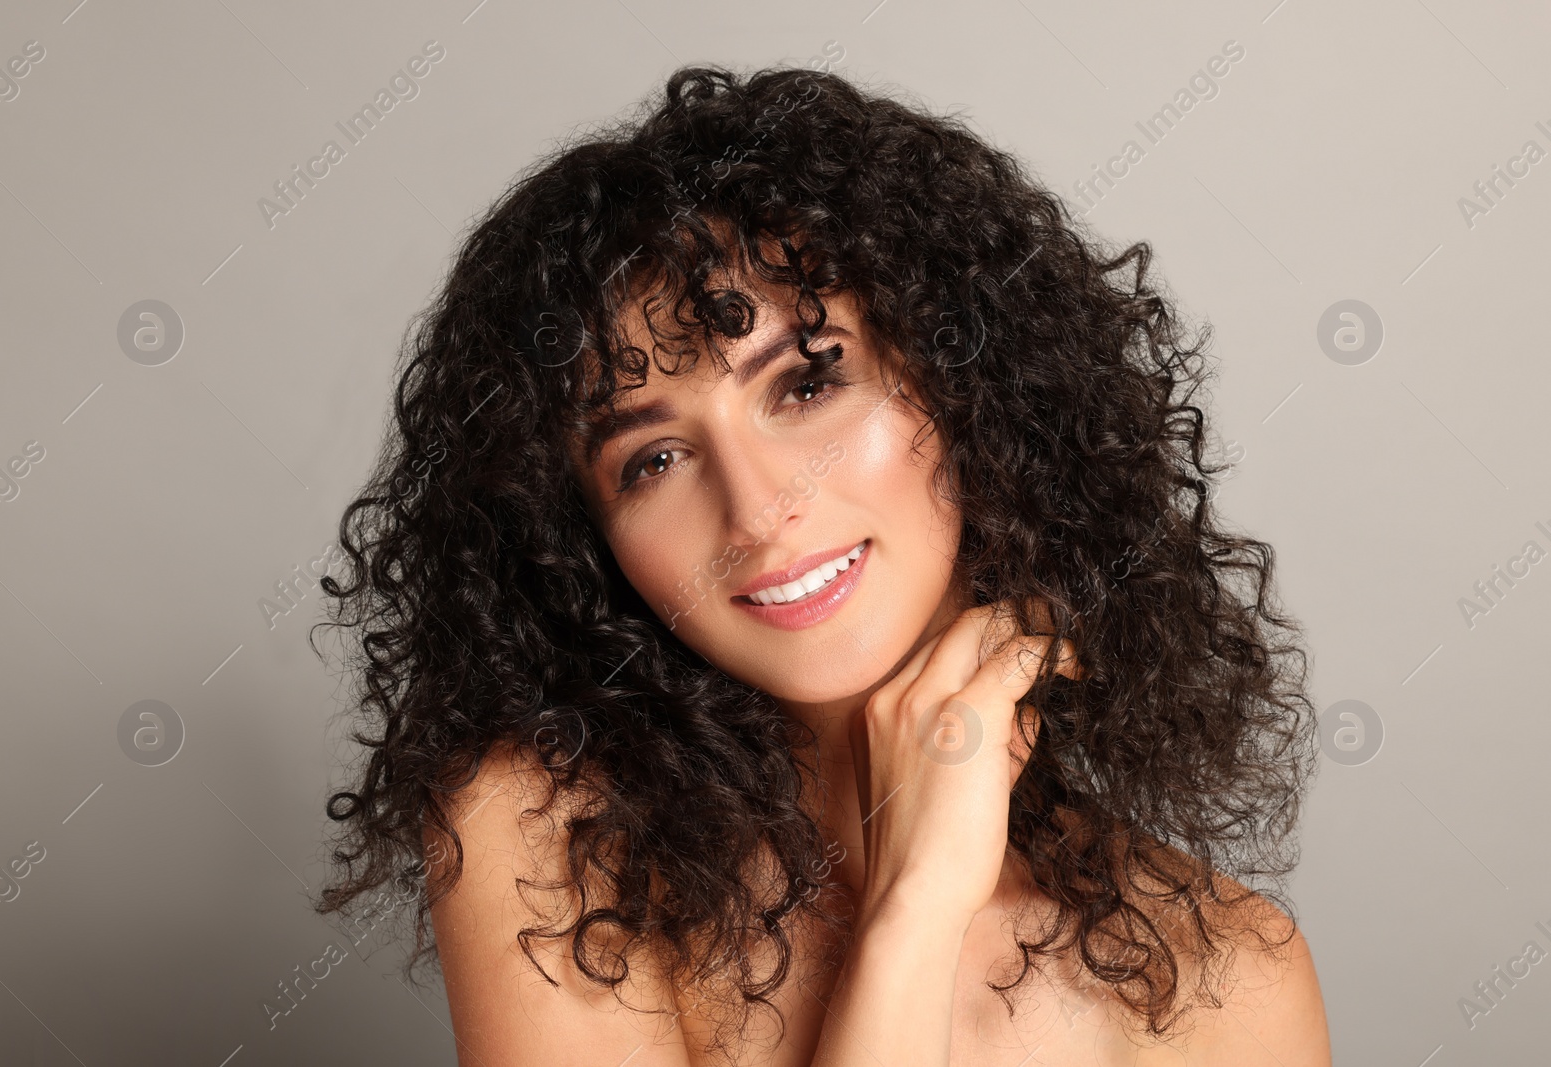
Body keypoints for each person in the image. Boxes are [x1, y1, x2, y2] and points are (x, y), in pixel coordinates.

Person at [313, 64, 1331, 1065]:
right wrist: (916, 904)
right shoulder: (550, 844)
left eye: (805, 386)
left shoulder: (1223, 972)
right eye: (653, 458)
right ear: (581, 540)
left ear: (965, 382)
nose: (755, 511)